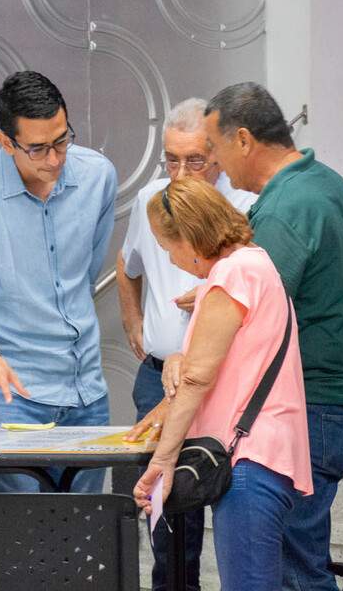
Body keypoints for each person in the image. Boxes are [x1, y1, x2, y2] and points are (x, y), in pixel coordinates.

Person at [203, 82, 343, 591]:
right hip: (337, 398)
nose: (215, 163)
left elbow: (251, 317)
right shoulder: (331, 183)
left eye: (215, 148)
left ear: (245, 140)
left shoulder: (282, 210)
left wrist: (212, 307)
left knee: (295, 572)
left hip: (307, 407)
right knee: (303, 559)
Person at [0, 70, 117, 493]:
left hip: (85, 387)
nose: (54, 158)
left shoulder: (98, 176)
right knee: (21, 544)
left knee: (86, 541)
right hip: (9, 393)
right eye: (37, 148)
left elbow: (87, 271)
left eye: (62, 140)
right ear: (5, 142)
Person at [130, 178, 312, 590]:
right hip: (262, 456)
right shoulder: (254, 263)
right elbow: (227, 356)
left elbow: (197, 378)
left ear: (191, 238)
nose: (170, 257)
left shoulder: (231, 274)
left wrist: (162, 460)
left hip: (249, 459)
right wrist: (177, 359)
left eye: (167, 245)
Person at [117, 97, 256, 590]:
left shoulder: (244, 205)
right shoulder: (151, 200)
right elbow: (127, 263)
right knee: (168, 521)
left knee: (233, 506)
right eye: (171, 159)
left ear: (218, 153)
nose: (181, 172)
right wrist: (133, 319)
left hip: (220, 381)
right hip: (158, 376)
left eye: (194, 159)